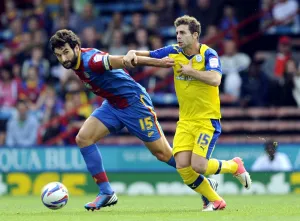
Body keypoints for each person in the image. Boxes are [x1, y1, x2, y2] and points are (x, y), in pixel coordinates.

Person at [123, 15, 252, 211]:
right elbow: (152, 54)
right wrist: (133, 53)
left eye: (182, 33)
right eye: (176, 33)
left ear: (195, 35)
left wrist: (191, 72)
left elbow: (216, 79)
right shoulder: (174, 51)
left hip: (206, 119)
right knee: (182, 165)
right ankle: (216, 200)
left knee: (199, 166)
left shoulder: (210, 54)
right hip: (185, 121)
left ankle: (234, 166)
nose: (178, 37)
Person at [49, 29, 177, 211]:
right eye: (59, 55)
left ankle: (203, 181)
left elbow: (125, 60)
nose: (63, 59)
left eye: (66, 52)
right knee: (83, 138)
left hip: (134, 104)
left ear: (76, 47)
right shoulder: (76, 62)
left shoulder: (92, 61)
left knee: (163, 154)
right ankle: (106, 192)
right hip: (113, 105)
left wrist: (159, 63)